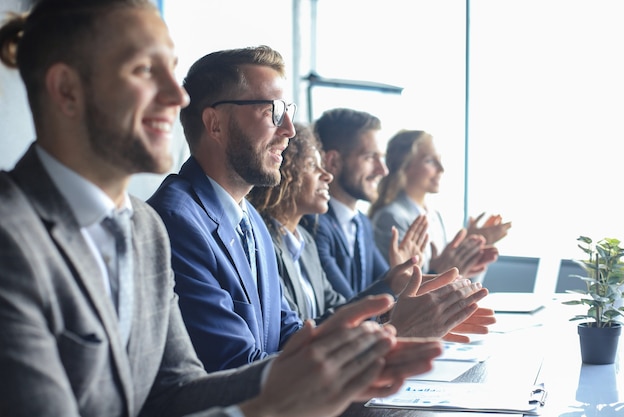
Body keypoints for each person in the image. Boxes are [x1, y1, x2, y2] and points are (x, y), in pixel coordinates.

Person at [0, 2, 444, 416]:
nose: (178, 96)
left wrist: (362, 350)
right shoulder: (11, 239)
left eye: (172, 72)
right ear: (67, 90)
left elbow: (176, 390)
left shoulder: (144, 228)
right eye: (142, 70)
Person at [249, 122, 496, 341]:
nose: (327, 175)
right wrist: (403, 290)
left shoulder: (313, 241)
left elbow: (347, 307)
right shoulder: (296, 235)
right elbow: (348, 309)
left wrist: (401, 281)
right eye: (314, 166)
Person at [369, 129, 510, 281]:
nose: (441, 169)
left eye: (440, 160)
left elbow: (454, 283)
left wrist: (470, 252)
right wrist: (439, 272)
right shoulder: (390, 218)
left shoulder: (435, 216)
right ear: (405, 166)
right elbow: (398, 291)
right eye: (430, 161)